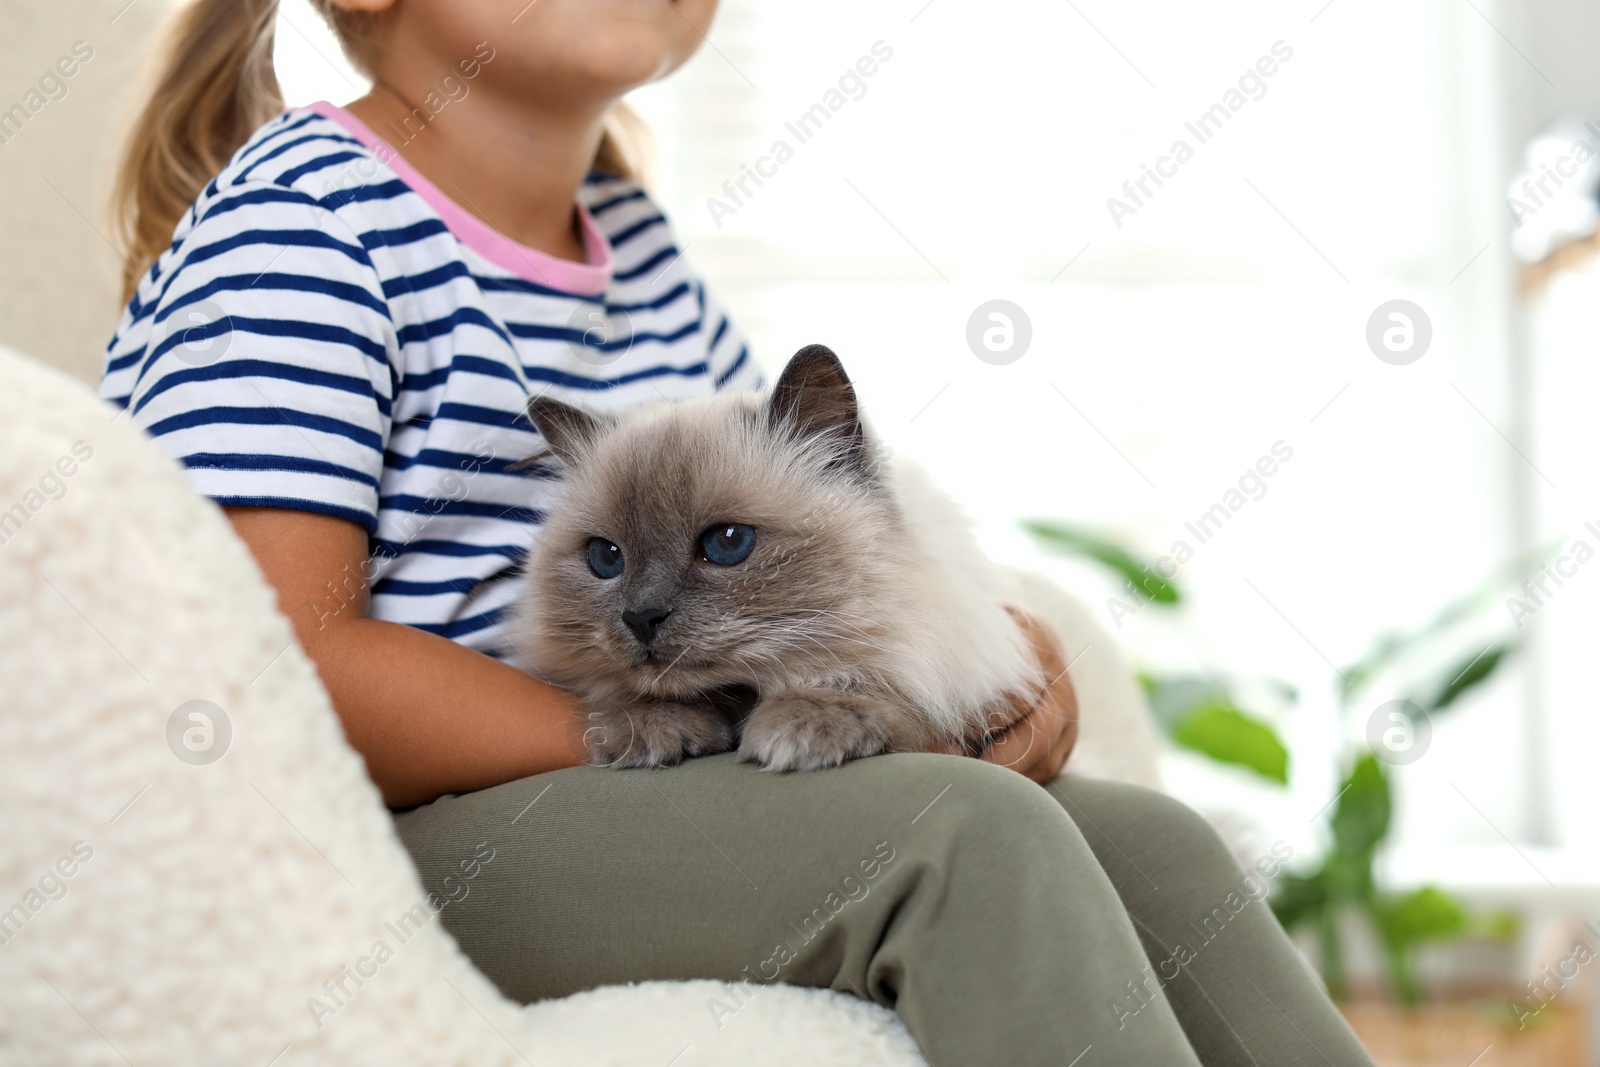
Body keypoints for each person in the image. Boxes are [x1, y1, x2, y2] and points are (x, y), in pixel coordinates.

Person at [100, 1, 1376, 1063]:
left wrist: (985, 669)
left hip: (590, 802)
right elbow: (270, 668)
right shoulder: (300, 223)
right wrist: (673, 734)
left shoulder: (640, 251)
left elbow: (823, 529)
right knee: (956, 839)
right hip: (372, 853)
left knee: (1153, 842)